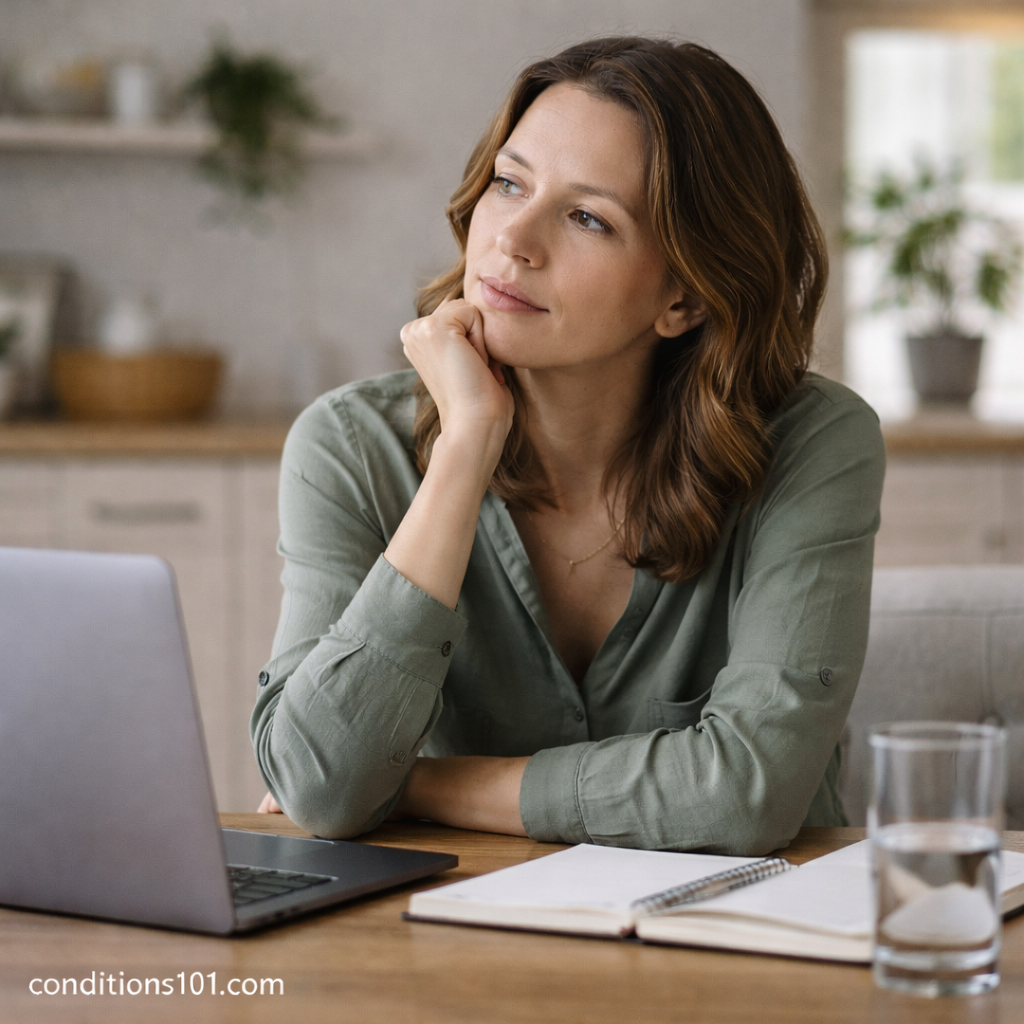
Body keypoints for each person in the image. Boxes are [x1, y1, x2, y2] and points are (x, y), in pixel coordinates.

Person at [251, 36, 885, 855]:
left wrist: (412, 783)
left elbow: (745, 794)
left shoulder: (813, 443)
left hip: (741, 949)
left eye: (587, 217)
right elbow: (323, 785)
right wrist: (465, 448)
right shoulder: (347, 445)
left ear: (685, 297)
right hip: (438, 944)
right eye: (508, 183)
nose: (512, 239)